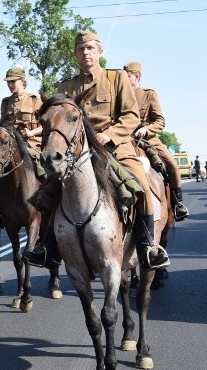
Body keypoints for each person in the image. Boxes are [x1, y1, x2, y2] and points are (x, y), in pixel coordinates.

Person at [52, 31, 169, 269]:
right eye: (81, 49)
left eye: (90, 48)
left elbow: (131, 115)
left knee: (142, 185)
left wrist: (110, 135)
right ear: (75, 54)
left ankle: (147, 246)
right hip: (77, 152)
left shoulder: (116, 78)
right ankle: (47, 248)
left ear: (100, 52)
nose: (86, 53)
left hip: (115, 147)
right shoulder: (66, 86)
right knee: (48, 188)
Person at [122, 62, 189, 221]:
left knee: (172, 165)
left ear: (136, 76)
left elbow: (160, 121)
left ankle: (177, 204)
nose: (124, 80)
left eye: (128, 77)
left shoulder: (149, 94)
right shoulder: (120, 96)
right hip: (125, 138)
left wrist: (146, 130)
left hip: (148, 139)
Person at [0, 66, 46, 228]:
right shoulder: (6, 102)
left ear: (23, 81)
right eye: (8, 82)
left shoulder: (35, 99)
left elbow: (46, 124)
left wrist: (31, 133)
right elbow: (3, 126)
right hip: (10, 146)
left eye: (13, 82)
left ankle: (49, 205)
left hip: (31, 143)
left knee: (45, 169)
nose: (10, 85)